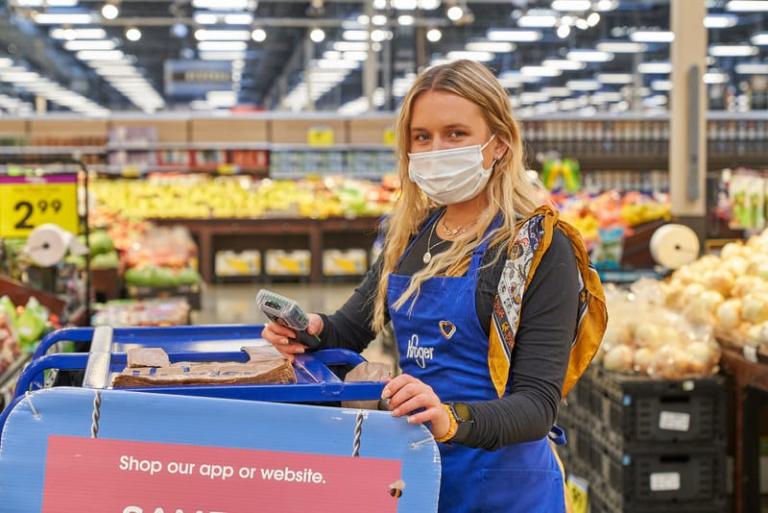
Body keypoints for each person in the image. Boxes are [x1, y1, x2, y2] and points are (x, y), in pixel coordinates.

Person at [262, 59, 606, 513]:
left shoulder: (537, 247)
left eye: (456, 134)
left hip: (504, 485)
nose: (435, 149)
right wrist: (306, 327)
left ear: (499, 143)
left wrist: (448, 417)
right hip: (415, 472)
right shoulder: (412, 232)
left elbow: (537, 405)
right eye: (422, 137)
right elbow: (349, 329)